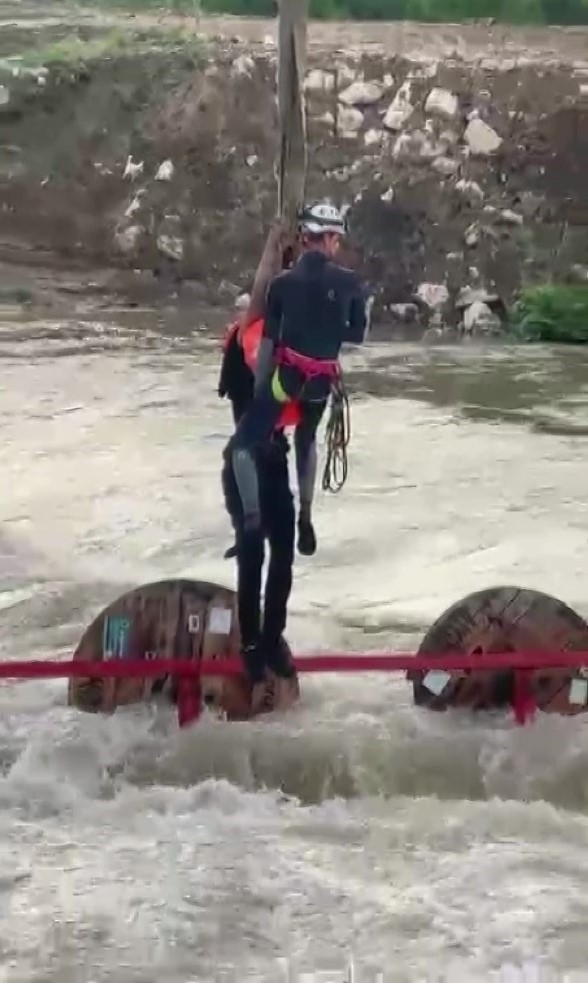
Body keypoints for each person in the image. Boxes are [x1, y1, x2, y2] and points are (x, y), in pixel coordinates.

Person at [227, 200, 368, 558]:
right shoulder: (351, 283)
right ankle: (305, 515)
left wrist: (261, 394)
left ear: (306, 238)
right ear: (331, 238)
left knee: (242, 446)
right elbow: (356, 335)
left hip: (286, 379)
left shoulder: (281, 285)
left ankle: (254, 522)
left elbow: (271, 344)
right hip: (322, 383)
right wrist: (331, 325)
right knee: (306, 442)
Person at [218, 219, 300, 711]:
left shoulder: (286, 347)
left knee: (284, 558)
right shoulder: (247, 342)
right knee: (254, 556)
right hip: (243, 462)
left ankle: (273, 639)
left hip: (274, 462)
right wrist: (272, 247)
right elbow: (260, 296)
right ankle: (251, 646)